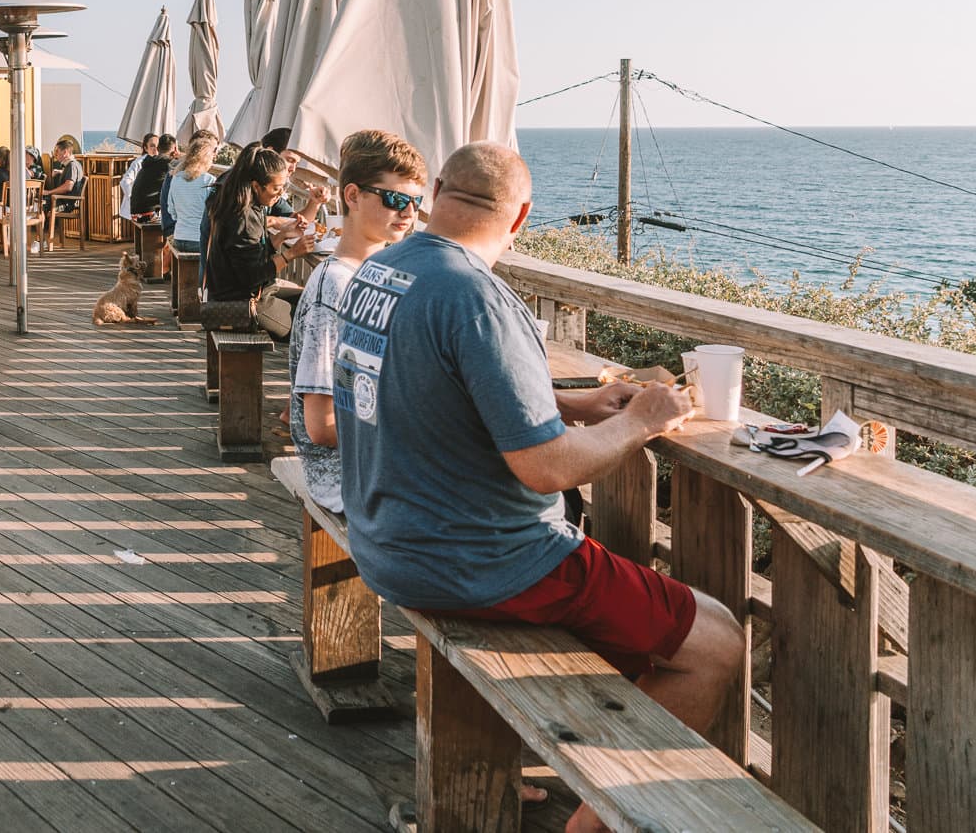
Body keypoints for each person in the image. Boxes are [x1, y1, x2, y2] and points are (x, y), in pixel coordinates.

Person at [332, 143, 742, 833]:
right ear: (520, 215)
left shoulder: (383, 270)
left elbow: (435, 387)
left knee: (633, 632)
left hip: (387, 541)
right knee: (715, 641)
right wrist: (644, 419)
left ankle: (571, 772)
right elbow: (547, 469)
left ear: (435, 192)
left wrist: (577, 406)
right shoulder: (476, 296)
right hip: (482, 560)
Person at [285, 131, 426, 513]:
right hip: (346, 475)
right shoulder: (333, 289)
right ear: (352, 196)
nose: (409, 213)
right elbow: (322, 426)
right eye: (396, 199)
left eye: (416, 201)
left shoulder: (382, 275)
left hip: (377, 462)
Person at [203, 143, 314, 307]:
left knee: (307, 298)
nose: (280, 194)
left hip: (231, 295)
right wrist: (292, 253)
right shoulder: (244, 218)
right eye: (276, 188)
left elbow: (250, 257)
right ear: (256, 186)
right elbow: (251, 278)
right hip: (240, 305)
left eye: (283, 187)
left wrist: (281, 236)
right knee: (307, 308)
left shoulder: (239, 205)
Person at [162, 132, 217, 254]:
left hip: (179, 238)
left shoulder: (176, 178)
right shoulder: (209, 181)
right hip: (199, 239)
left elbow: (171, 210)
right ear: (206, 158)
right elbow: (214, 214)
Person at [115, 131, 158, 224]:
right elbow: (125, 181)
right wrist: (135, 197)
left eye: (158, 146)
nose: (156, 149)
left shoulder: (162, 162)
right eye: (152, 146)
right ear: (145, 148)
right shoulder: (139, 163)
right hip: (141, 209)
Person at [129, 132, 176, 218]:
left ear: (158, 148)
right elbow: (188, 164)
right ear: (174, 149)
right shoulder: (167, 163)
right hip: (147, 213)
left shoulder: (152, 161)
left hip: (136, 211)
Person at [41, 137, 84, 215]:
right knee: (39, 202)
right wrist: (60, 172)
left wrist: (49, 192)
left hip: (65, 203)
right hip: (63, 200)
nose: (55, 154)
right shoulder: (72, 164)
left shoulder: (72, 165)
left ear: (65, 152)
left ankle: (42, 227)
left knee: (39, 206)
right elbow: (71, 176)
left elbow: (68, 187)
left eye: (57, 151)